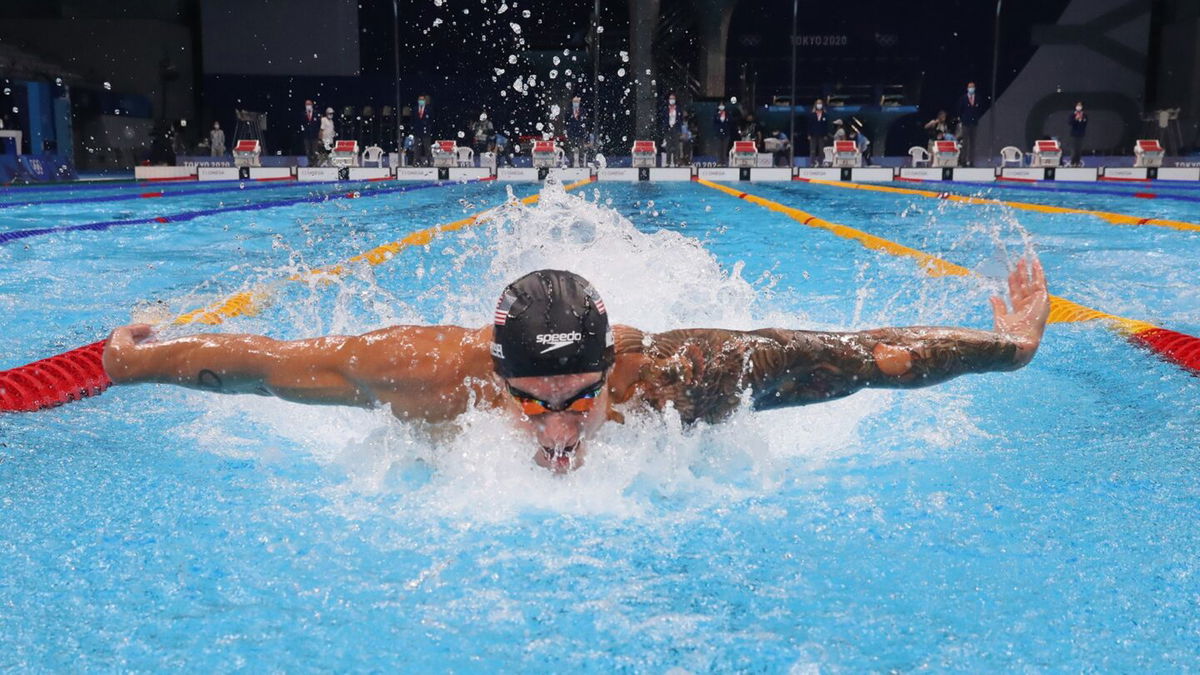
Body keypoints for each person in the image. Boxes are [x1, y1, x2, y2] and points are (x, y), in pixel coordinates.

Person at [102, 260, 1049, 474]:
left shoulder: (669, 378)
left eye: (579, 398)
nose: (560, 429)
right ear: (495, 371)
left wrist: (1008, 353)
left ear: (612, 365)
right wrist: (134, 366)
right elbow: (261, 363)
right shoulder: (427, 372)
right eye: (533, 402)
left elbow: (859, 359)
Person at [955, 82, 982, 167]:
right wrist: (962, 119)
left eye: (973, 87)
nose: (971, 88)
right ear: (967, 88)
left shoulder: (977, 98)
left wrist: (976, 118)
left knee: (972, 143)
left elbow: (980, 109)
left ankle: (971, 161)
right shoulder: (963, 98)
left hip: (974, 123)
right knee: (965, 143)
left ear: (975, 88)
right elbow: (960, 109)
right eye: (970, 87)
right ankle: (963, 160)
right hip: (965, 123)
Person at [659, 92, 684, 167]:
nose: (672, 100)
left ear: (675, 100)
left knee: (676, 146)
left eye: (673, 98)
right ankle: (668, 162)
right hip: (668, 129)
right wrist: (666, 126)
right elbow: (663, 118)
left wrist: (677, 126)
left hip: (676, 128)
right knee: (668, 146)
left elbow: (681, 119)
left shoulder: (678, 109)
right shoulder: (665, 108)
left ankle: (676, 162)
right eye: (670, 98)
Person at [564, 96, 589, 168]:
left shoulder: (582, 110)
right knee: (570, 148)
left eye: (577, 101)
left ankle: (581, 163)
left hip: (580, 133)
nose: (576, 103)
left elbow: (585, 122)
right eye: (574, 101)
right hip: (571, 132)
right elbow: (566, 121)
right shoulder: (569, 110)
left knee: (581, 149)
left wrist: (584, 131)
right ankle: (570, 163)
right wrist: (567, 130)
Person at [411, 95, 434, 167]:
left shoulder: (429, 109)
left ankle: (429, 162)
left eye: (422, 100)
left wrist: (428, 128)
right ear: (418, 101)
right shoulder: (414, 109)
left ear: (425, 101)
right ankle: (416, 162)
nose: (421, 101)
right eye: (420, 100)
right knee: (417, 148)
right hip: (417, 132)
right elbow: (412, 120)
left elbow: (431, 120)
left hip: (426, 131)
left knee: (427, 148)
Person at [807, 99, 829, 166]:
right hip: (813, 134)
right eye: (818, 103)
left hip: (822, 135)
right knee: (812, 150)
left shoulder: (825, 115)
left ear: (822, 105)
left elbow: (826, 126)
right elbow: (809, 125)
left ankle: (821, 163)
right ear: (816, 105)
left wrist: (825, 135)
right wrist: (809, 134)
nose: (819, 105)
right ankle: (812, 163)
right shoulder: (812, 114)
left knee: (821, 150)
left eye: (820, 103)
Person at [300, 99, 321, 167]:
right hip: (306, 136)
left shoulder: (316, 113)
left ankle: (315, 163)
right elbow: (301, 124)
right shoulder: (303, 114)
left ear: (312, 105)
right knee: (307, 151)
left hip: (314, 135)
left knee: (315, 150)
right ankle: (310, 162)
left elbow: (319, 124)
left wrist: (317, 133)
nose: (308, 106)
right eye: (306, 104)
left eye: (309, 104)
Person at [1068, 102, 1088, 167]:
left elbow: (1085, 123)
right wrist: (1076, 119)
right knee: (1074, 149)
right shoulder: (1072, 114)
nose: (1079, 107)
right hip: (1074, 134)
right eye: (1078, 106)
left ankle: (1077, 162)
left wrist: (1082, 119)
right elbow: (1070, 123)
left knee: (1079, 149)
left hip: (1081, 134)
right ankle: (1072, 162)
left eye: (1080, 106)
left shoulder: (1084, 114)